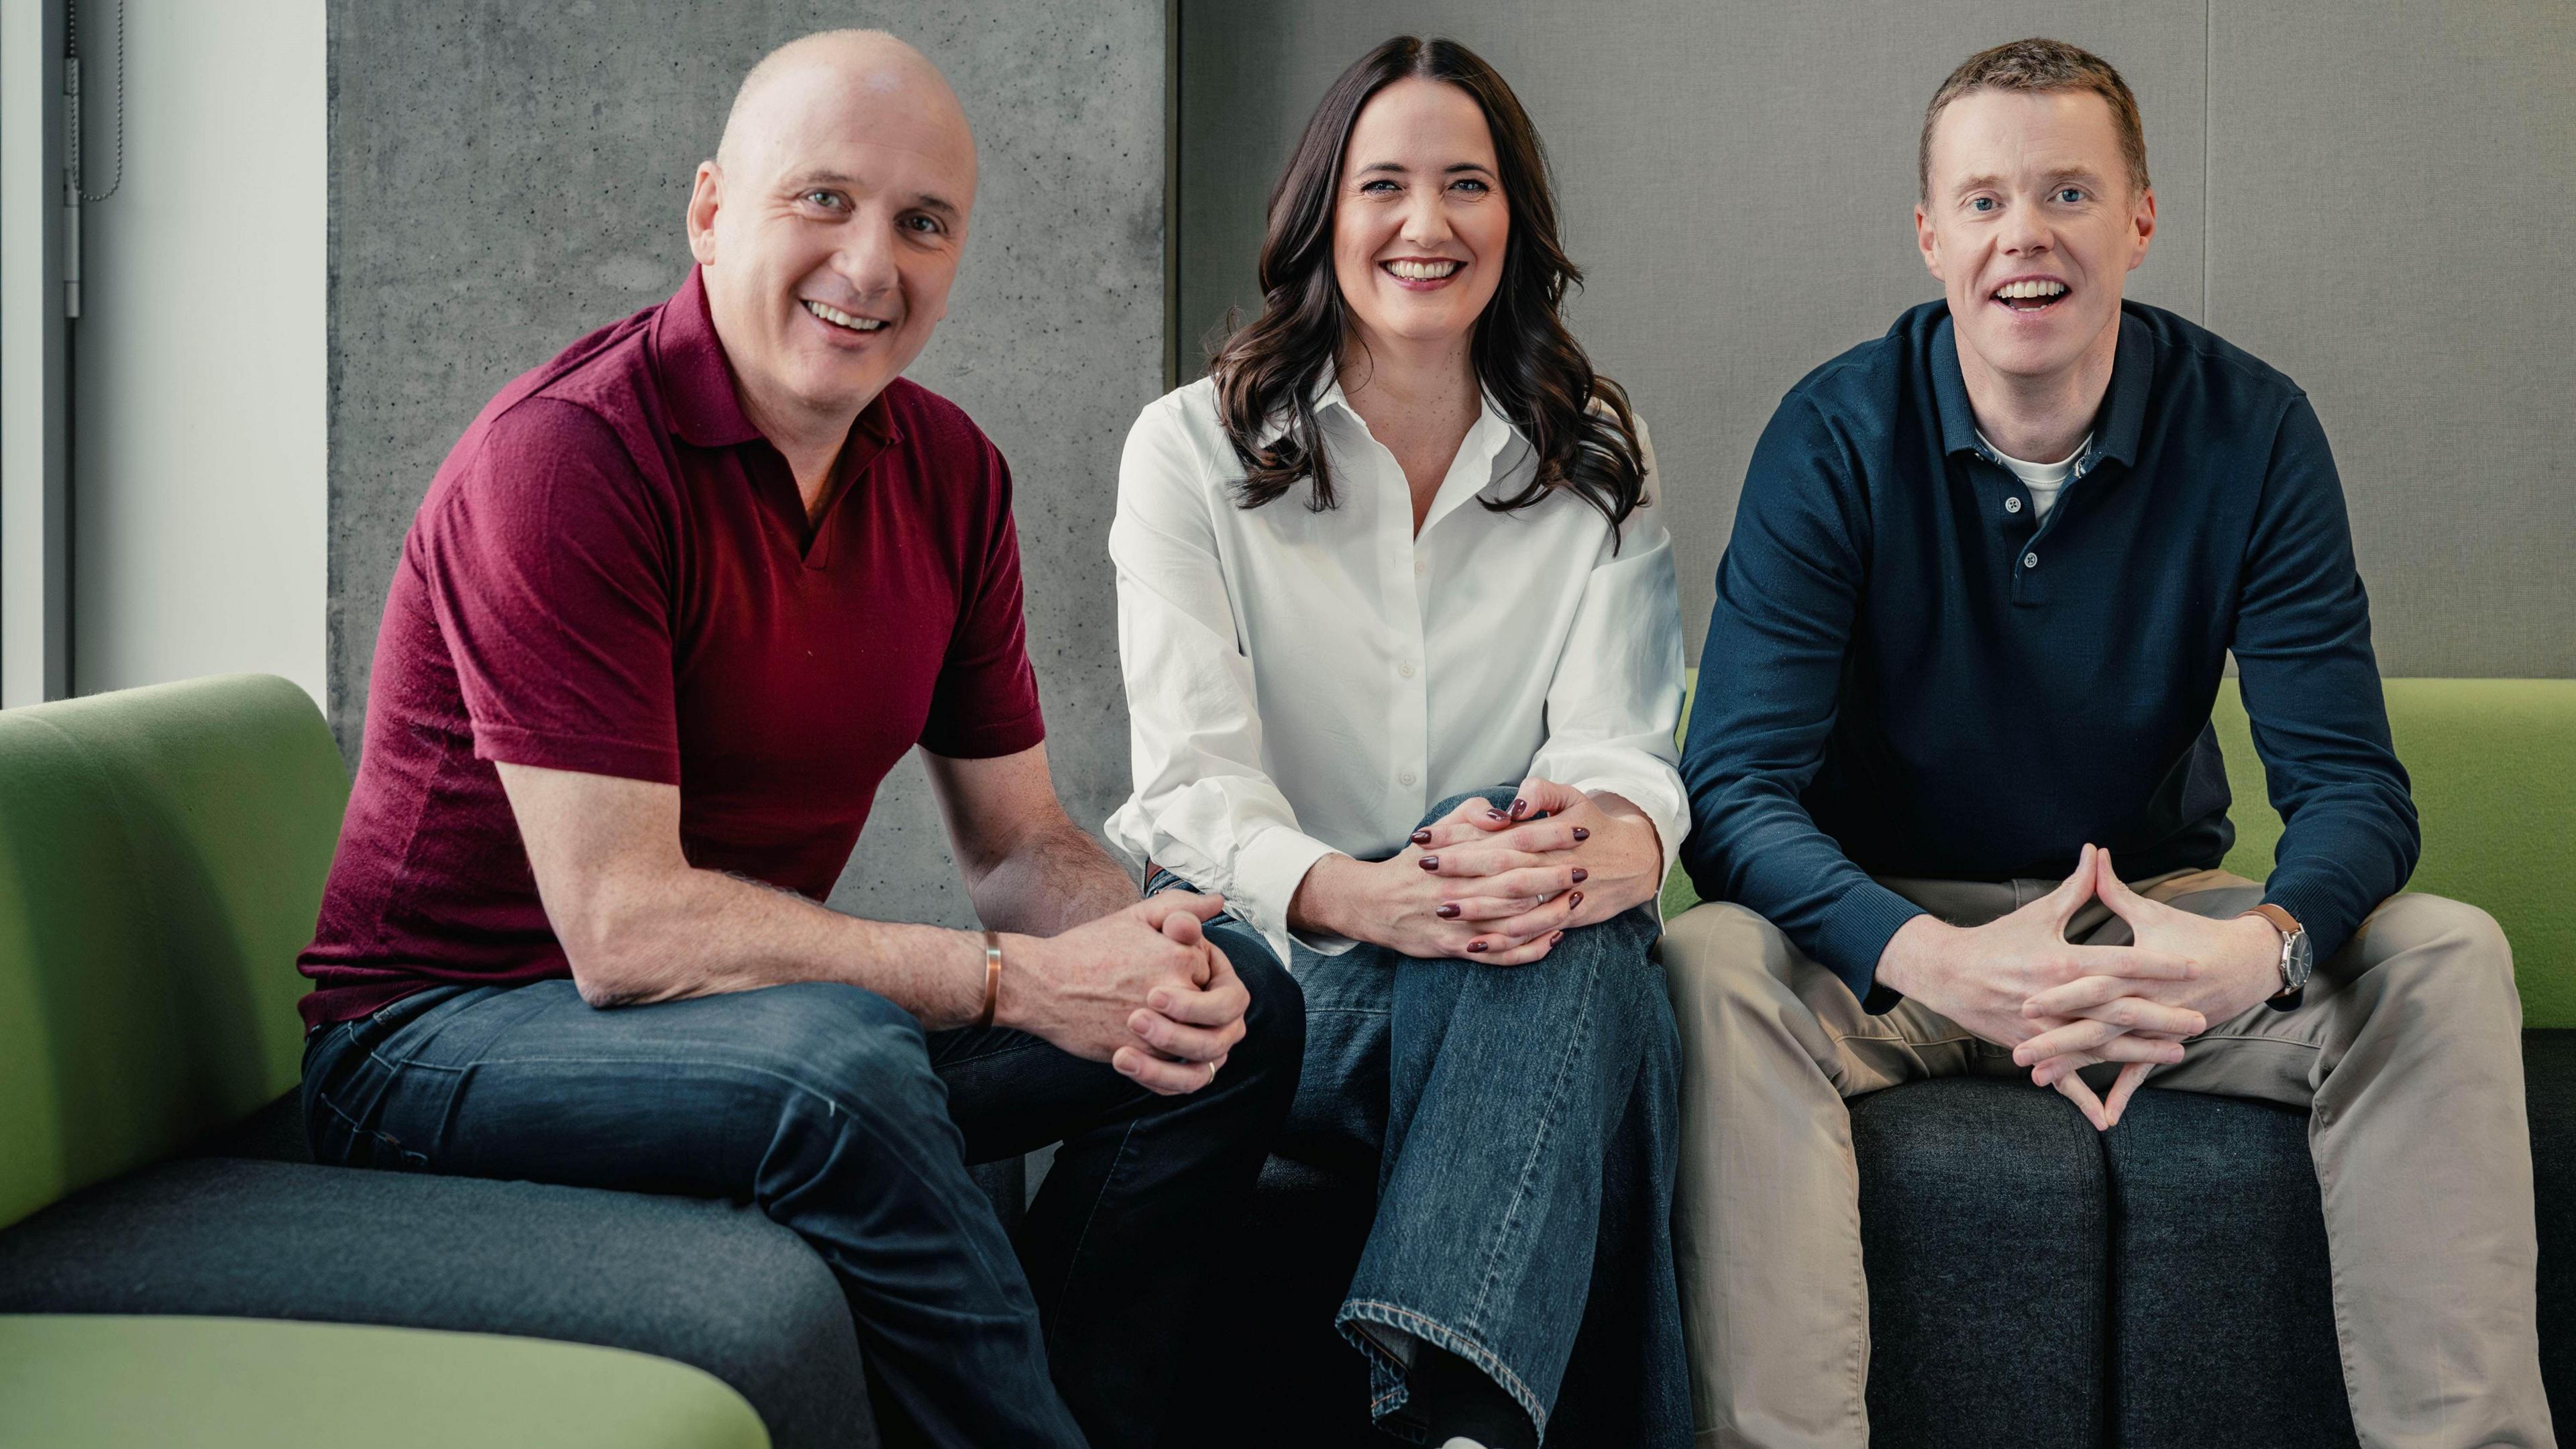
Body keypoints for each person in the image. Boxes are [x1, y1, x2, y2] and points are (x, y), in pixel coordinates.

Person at [294, 30, 1300, 1448]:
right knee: (841, 1064)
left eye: (922, 223)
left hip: (734, 1018)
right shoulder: (567, 461)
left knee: (1237, 1003)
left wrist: (1145, 952)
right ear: (710, 211)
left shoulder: (950, 474)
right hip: (438, 1041)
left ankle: (1072, 1414)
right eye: (822, 199)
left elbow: (1018, 845)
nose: (871, 265)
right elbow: (625, 929)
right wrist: (1014, 983)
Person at [1663, 36, 2552, 1448]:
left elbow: (2354, 792)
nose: (2025, 236)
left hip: (2149, 930)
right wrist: (1940, 959)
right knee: (1709, 961)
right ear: (1930, 234)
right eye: (1985, 201)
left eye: (2069, 194)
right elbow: (1731, 792)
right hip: (1893, 952)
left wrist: (2241, 956)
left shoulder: (2253, 430)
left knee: (2446, 955)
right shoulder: (1831, 436)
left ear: (2140, 218)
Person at [1108, 36, 1692, 1449]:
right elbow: (1188, 786)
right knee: (1548, 946)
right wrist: (1371, 897)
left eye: (1467, 186)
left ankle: (1447, 1424)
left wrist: (1598, 851)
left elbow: (1620, 748)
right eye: (1384, 186)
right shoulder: (1191, 450)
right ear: (1324, 216)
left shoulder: (1596, 452)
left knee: (1548, 912)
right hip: (1289, 981)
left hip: (1517, 957)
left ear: (1517, 223)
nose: (1426, 226)